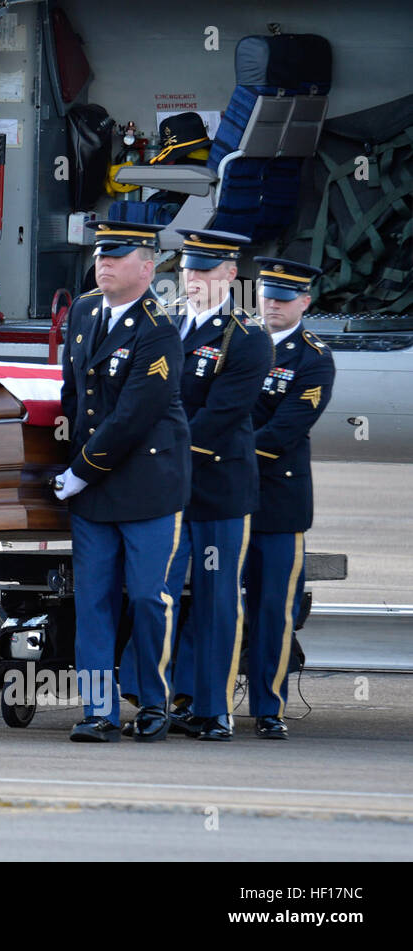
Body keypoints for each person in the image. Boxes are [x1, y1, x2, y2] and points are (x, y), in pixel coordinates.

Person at [119, 229, 272, 741]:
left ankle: (212, 708)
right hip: (167, 486)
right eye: (187, 269)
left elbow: (222, 414)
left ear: (230, 274)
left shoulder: (248, 337)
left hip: (216, 489)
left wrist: (157, 452)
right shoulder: (165, 325)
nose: (193, 279)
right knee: (156, 592)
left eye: (205, 270)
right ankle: (154, 700)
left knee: (215, 597)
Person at [55, 221, 190, 742]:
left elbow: (135, 414)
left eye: (117, 255)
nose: (103, 263)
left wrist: (80, 471)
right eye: (100, 255)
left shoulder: (158, 328)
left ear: (147, 267)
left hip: (145, 487)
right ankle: (98, 711)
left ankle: (154, 700)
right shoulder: (85, 312)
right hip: (93, 490)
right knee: (92, 599)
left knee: (148, 598)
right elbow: (74, 396)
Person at [243, 257, 334, 739]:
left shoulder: (314, 357)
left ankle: (268, 706)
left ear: (305, 302)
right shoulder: (238, 342)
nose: (273, 305)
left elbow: (285, 430)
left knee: (273, 610)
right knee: (210, 604)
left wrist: (220, 452)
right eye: (268, 296)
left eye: (284, 298)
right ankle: (197, 698)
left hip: (277, 504)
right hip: (225, 500)